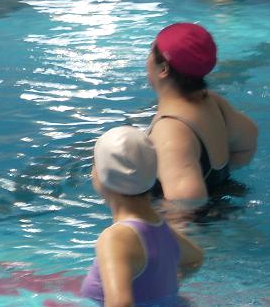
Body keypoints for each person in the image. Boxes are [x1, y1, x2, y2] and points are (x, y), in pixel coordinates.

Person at [81, 126, 204, 306]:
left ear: (102, 174)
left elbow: (120, 304)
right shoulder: (162, 229)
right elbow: (195, 258)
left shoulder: (115, 239)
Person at [146, 23, 258, 202]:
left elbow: (187, 202)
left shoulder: (170, 130)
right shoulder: (214, 102)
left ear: (163, 69)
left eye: (150, 51)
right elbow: (249, 140)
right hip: (223, 204)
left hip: (200, 218)